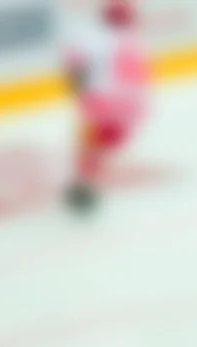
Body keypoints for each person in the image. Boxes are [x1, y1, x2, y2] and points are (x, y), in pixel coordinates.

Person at [63, 0, 150, 212]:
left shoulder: (99, 38)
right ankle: (86, 184)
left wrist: (81, 95)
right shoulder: (127, 40)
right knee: (97, 147)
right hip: (116, 107)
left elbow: (75, 66)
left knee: (93, 147)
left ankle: (85, 183)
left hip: (104, 104)